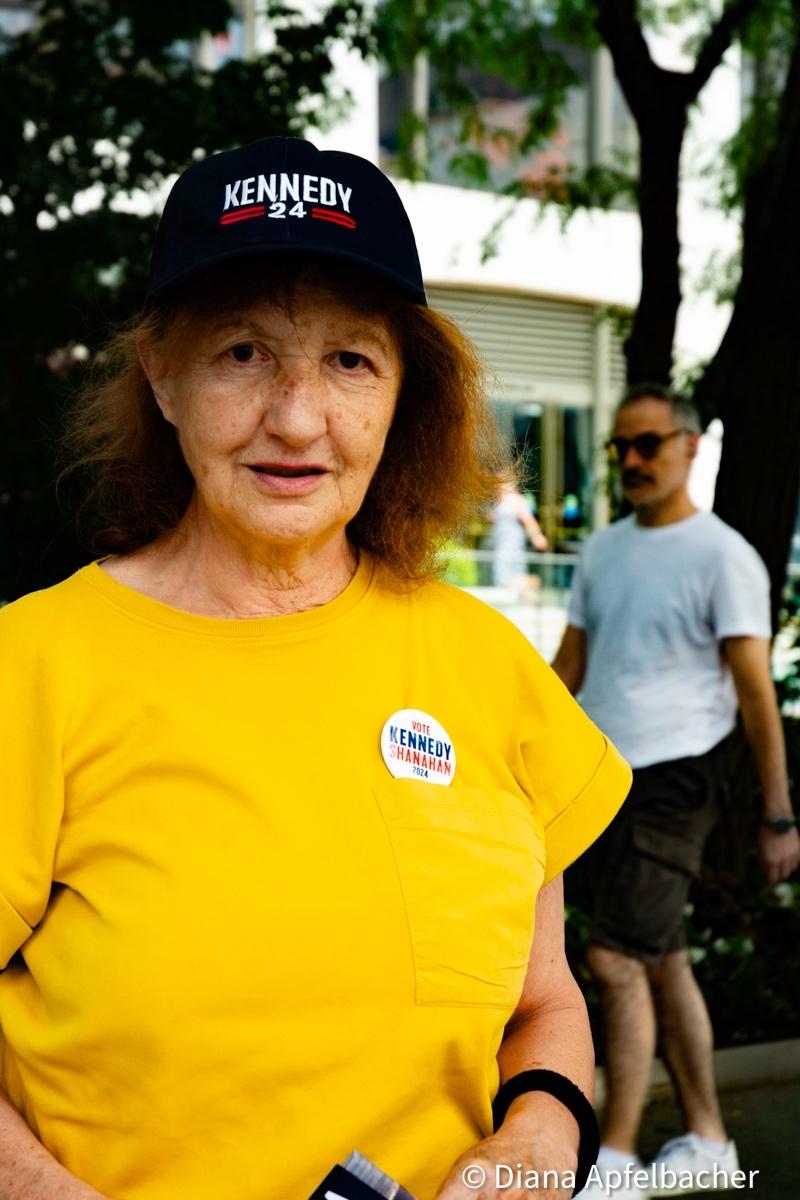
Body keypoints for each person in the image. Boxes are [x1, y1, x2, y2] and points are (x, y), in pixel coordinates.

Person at [0, 136, 632, 1200]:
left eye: (349, 360)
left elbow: (544, 1005)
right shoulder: (33, 663)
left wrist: (534, 1146)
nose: (296, 418)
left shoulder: (482, 663)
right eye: (242, 353)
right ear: (160, 373)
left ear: (401, 394)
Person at [552, 382, 800, 1200]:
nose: (629, 459)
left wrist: (778, 813)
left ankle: (614, 1161)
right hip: (604, 776)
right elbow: (569, 670)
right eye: (619, 447)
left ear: (691, 446)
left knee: (613, 956)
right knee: (661, 958)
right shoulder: (602, 551)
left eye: (647, 444)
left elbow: (755, 688)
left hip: (680, 776)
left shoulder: (724, 554)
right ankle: (710, 1140)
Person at [491, 482, 549, 593]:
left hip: (512, 546)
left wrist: (537, 537)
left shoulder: (515, 499)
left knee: (510, 578)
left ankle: (532, 590)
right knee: (502, 578)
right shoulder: (500, 500)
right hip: (501, 545)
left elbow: (528, 520)